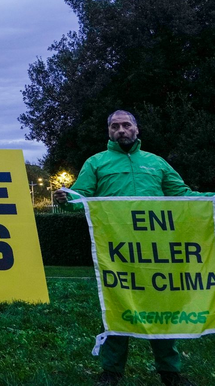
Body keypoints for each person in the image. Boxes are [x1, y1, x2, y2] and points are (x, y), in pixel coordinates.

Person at [55, 110, 213, 386]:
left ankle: (170, 372)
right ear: (109, 132)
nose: (121, 130)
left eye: (126, 125)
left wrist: (212, 198)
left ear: (137, 129)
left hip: (157, 254)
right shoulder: (96, 163)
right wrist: (64, 198)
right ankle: (111, 371)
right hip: (117, 254)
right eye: (115, 126)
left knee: (164, 309)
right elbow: (81, 198)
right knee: (117, 306)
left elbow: (184, 197)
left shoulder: (157, 163)